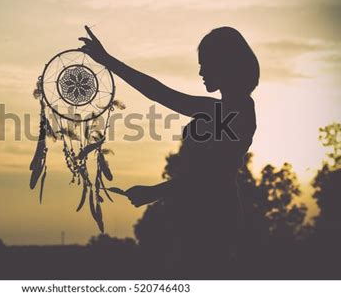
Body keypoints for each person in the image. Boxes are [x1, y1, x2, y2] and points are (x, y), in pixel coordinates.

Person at [79, 25, 259, 278]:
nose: (200, 72)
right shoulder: (223, 108)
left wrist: (154, 192)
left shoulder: (235, 112)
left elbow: (211, 178)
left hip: (215, 223)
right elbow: (158, 93)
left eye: (205, 64)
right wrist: (107, 60)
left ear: (224, 65)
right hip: (203, 219)